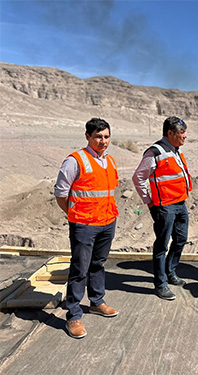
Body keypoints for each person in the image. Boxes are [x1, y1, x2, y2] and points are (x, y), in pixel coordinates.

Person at [54, 118, 120, 339]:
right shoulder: (75, 161)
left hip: (107, 222)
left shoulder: (109, 161)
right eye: (98, 137)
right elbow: (61, 194)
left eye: (106, 136)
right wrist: (76, 217)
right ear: (88, 137)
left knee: (98, 265)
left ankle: (96, 302)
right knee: (79, 269)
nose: (103, 141)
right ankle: (73, 315)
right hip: (84, 225)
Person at [132, 116, 192, 301]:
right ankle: (161, 284)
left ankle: (170, 271)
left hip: (180, 204)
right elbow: (138, 178)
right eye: (182, 133)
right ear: (170, 133)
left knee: (181, 239)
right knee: (161, 246)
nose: (185, 136)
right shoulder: (155, 152)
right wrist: (148, 201)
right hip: (164, 207)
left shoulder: (176, 150)